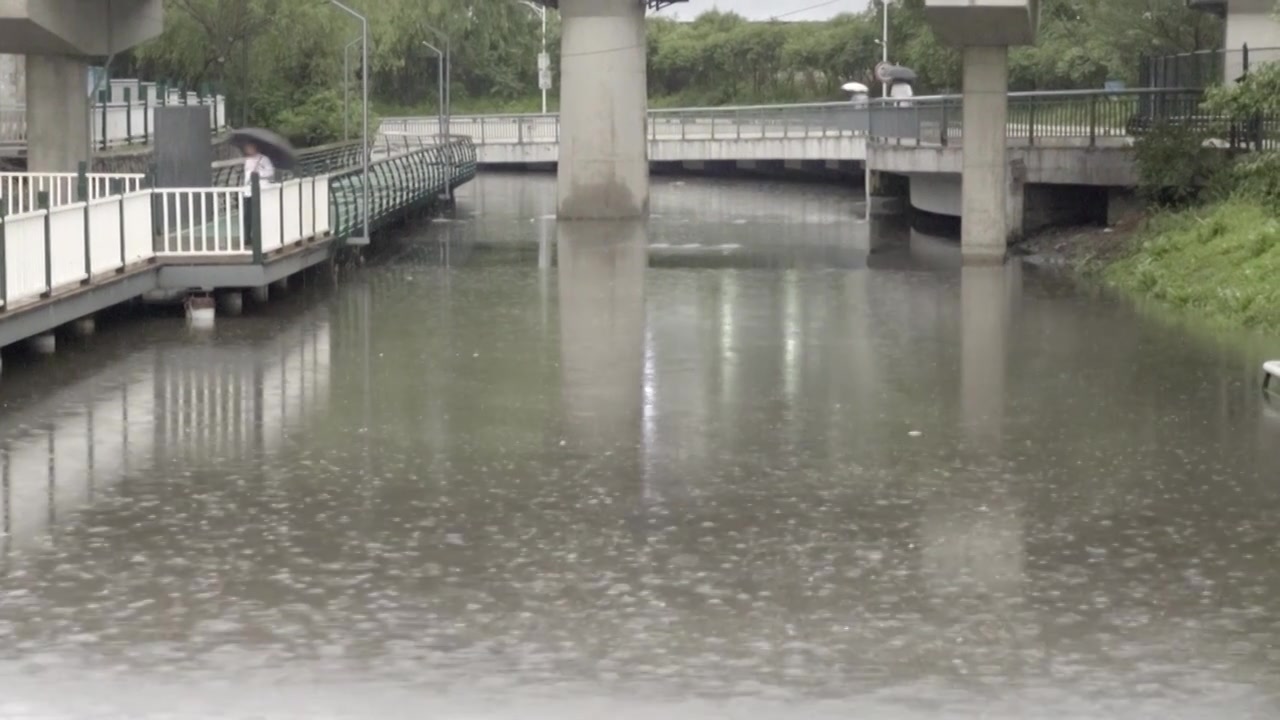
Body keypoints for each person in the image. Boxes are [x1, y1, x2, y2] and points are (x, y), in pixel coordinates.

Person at [242, 142, 275, 243]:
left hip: (260, 190)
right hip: (248, 190)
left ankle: (259, 235)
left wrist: (259, 174)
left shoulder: (263, 159)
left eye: (250, 147)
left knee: (258, 214)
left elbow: (270, 172)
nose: (248, 149)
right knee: (247, 215)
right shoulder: (247, 160)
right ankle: (247, 237)